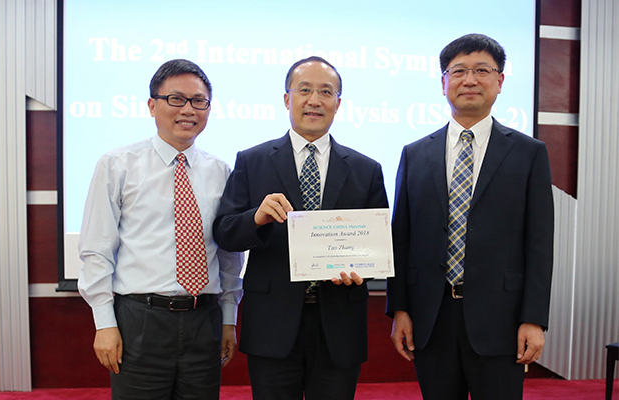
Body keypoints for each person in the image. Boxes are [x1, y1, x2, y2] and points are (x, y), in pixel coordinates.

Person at [386, 33, 554, 400]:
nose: (470, 80)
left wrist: (534, 318)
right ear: (443, 81)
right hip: (431, 317)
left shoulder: (528, 154)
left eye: (482, 70)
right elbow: (402, 238)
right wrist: (399, 308)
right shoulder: (415, 154)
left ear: (500, 81)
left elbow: (540, 242)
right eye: (458, 70)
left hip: (502, 319)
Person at [213, 56, 388, 400]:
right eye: (304, 90)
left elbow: (377, 247)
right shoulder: (252, 161)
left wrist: (361, 269)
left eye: (326, 92)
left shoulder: (366, 169)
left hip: (339, 324)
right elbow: (225, 232)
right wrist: (257, 218)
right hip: (272, 324)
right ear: (286, 98)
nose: (314, 100)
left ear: (338, 103)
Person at [77, 59, 244, 400]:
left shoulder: (222, 171)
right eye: (176, 99)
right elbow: (97, 249)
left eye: (199, 101)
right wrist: (104, 323)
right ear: (152, 105)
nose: (188, 109)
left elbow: (229, 255)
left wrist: (229, 317)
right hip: (140, 320)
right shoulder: (117, 165)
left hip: (204, 320)